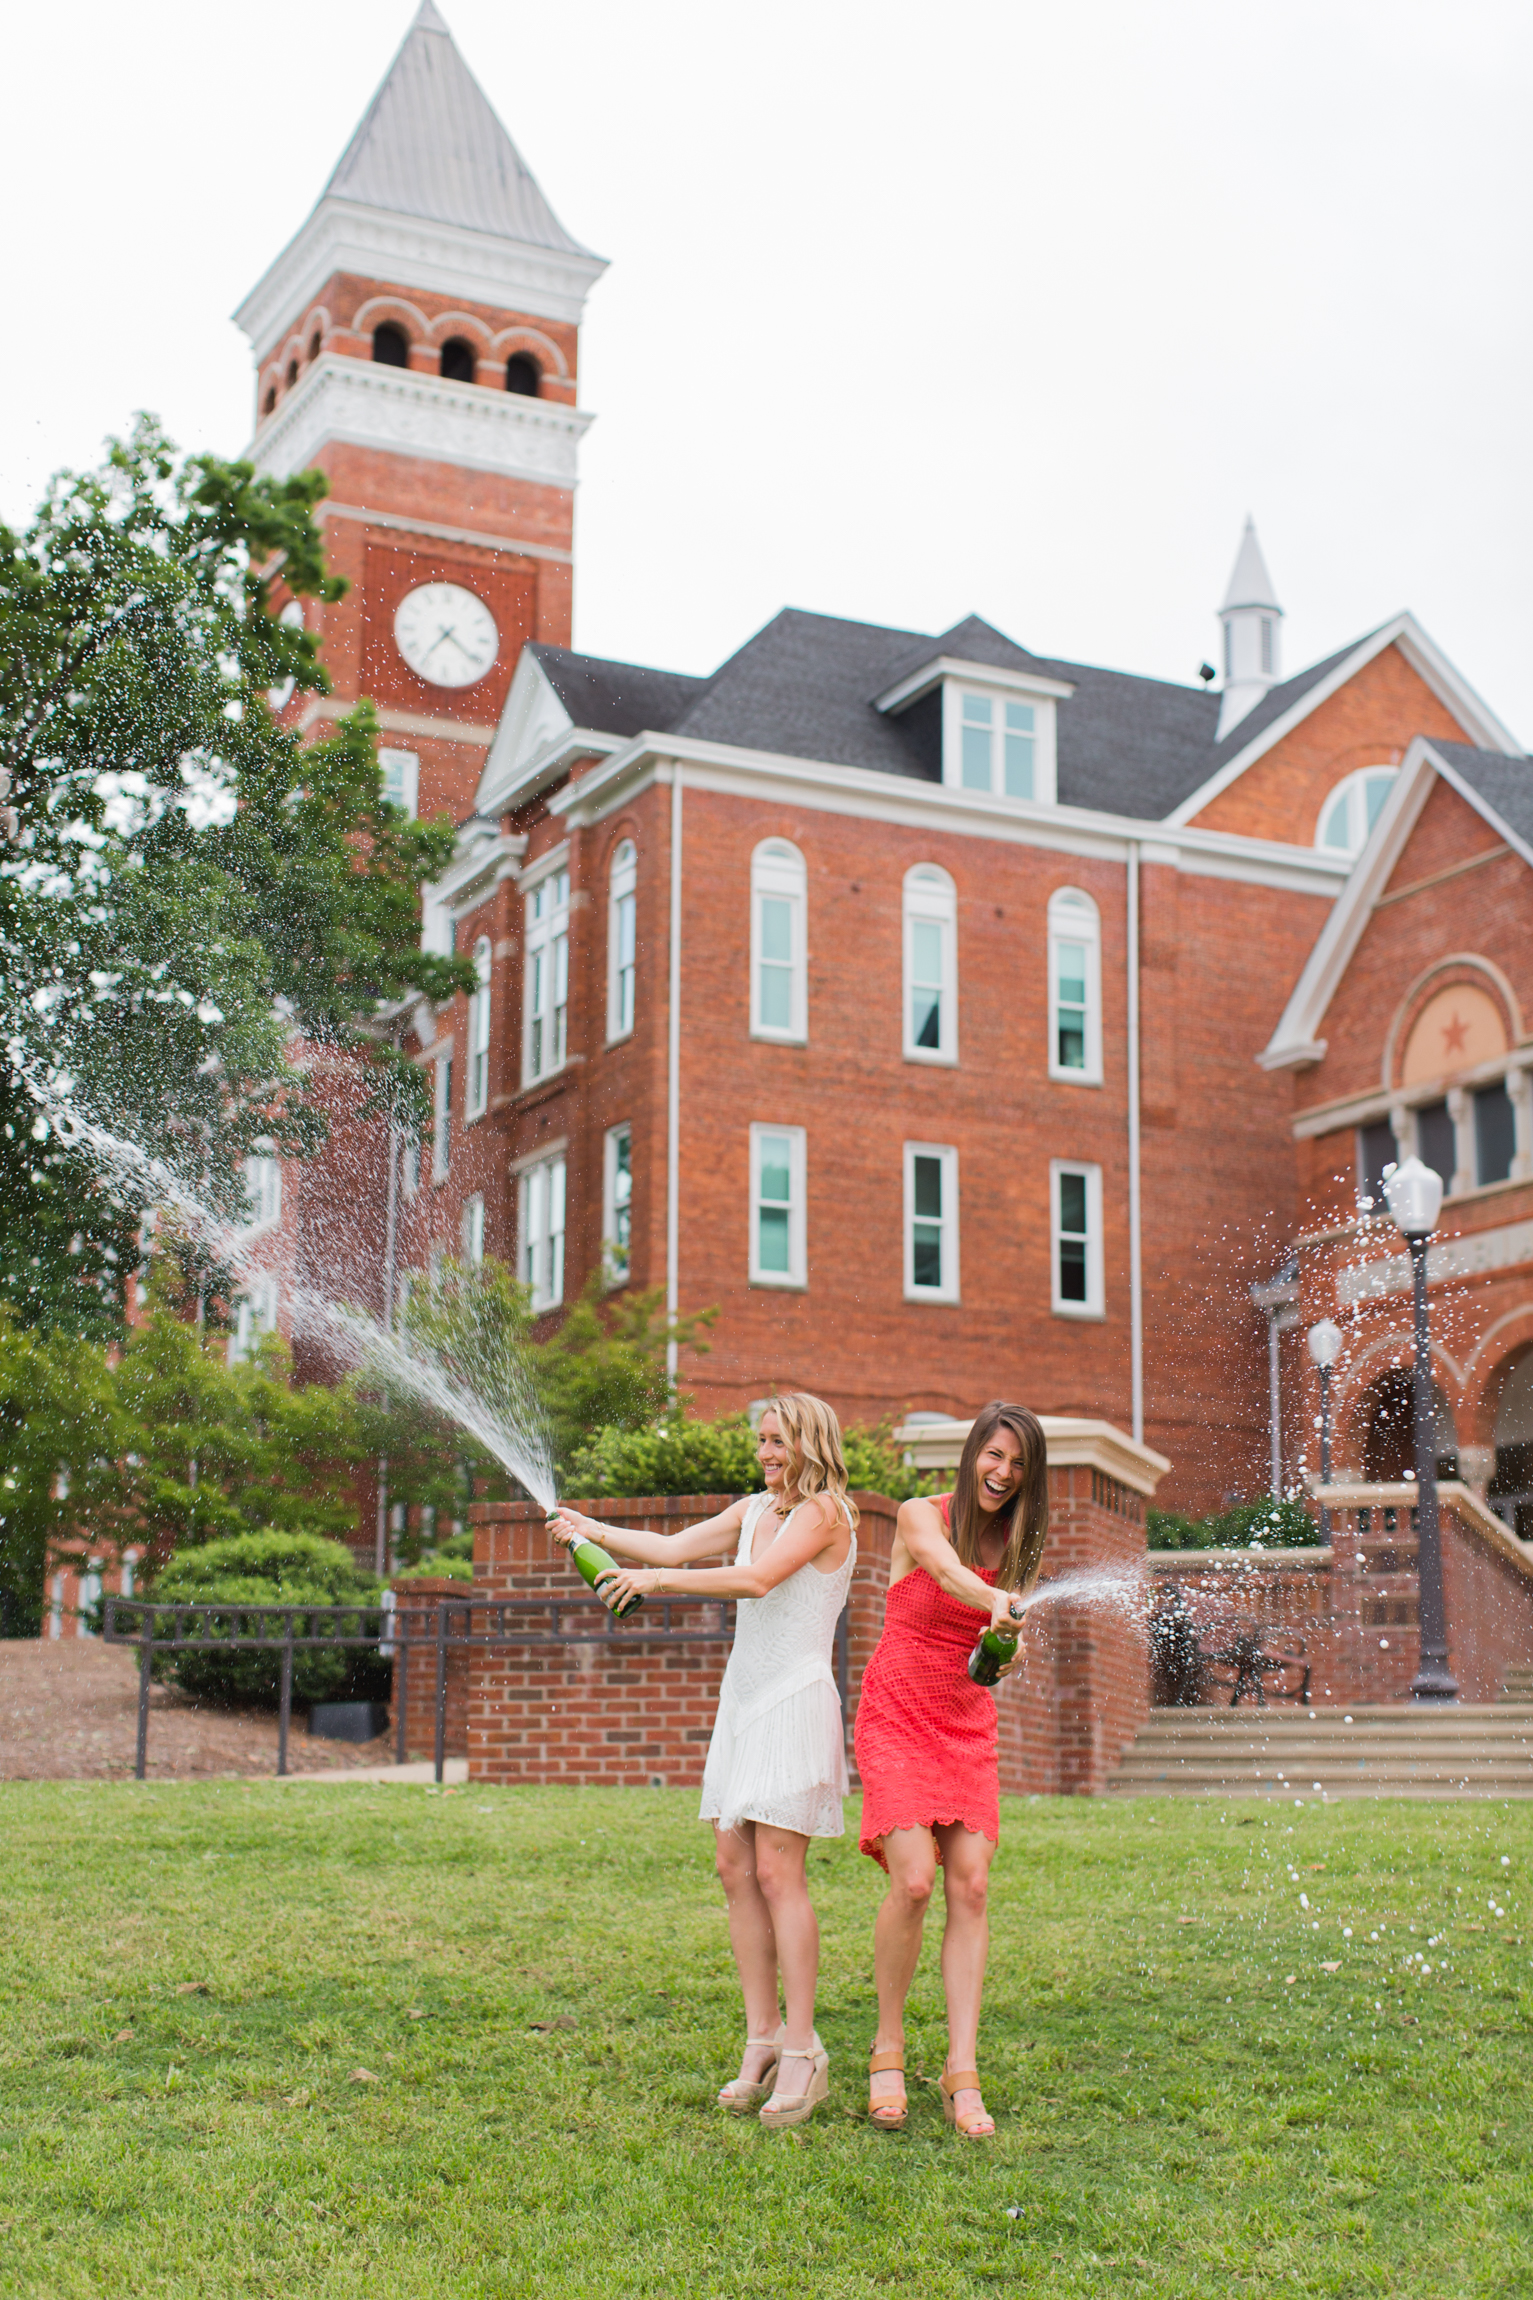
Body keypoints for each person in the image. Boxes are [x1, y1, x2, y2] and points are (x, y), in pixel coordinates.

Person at [547, 1392, 856, 2129]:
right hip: (742, 1700)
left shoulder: (825, 1514)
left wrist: (656, 1586)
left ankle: (804, 2049)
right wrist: (592, 1529)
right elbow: (675, 1545)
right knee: (732, 1867)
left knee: (780, 1871)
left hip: (792, 1698)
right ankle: (761, 2040)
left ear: (810, 1439)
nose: (765, 1453)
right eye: (759, 1442)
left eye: (776, 1440)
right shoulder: (754, 1508)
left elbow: (754, 1580)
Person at [853, 1400, 1048, 2140]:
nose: (1001, 1473)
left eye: (1018, 1464)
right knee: (914, 1879)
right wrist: (995, 1600)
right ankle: (887, 2050)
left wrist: (1011, 1644)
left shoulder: (1020, 1546)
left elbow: (1009, 1645)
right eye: (993, 1456)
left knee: (970, 1884)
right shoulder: (917, 1515)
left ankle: (960, 2071)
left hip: (965, 1722)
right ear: (972, 1455)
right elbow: (940, 1569)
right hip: (898, 1711)